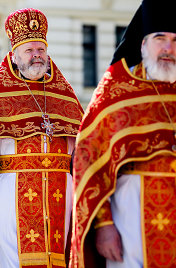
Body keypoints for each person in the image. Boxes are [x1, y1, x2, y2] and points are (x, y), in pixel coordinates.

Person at [0, 8, 84, 267]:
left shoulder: (65, 96)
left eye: (41, 50)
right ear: (14, 56)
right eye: (29, 51)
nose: (36, 56)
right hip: (11, 194)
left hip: (61, 194)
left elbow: (83, 149)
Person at [71, 0, 176, 267]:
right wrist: (103, 226)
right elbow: (89, 161)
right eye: (159, 38)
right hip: (130, 216)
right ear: (143, 44)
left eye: (175, 40)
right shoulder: (116, 92)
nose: (168, 48)